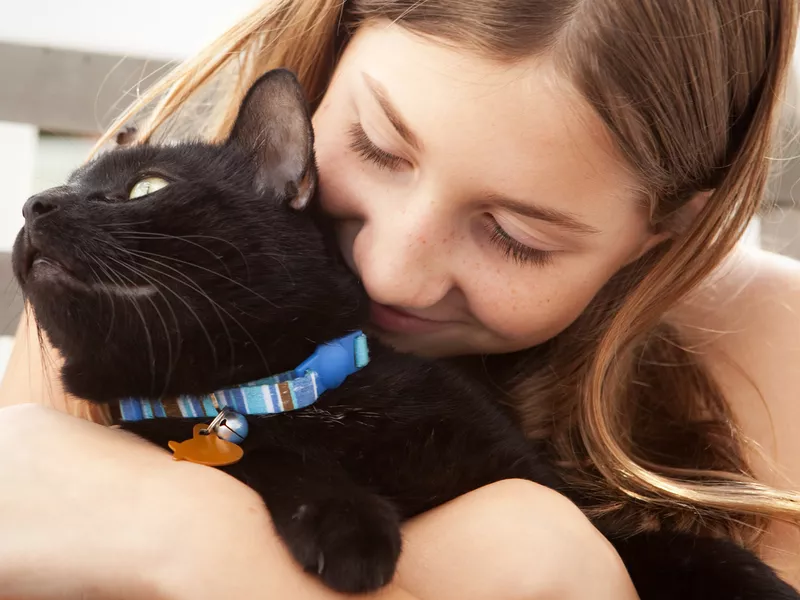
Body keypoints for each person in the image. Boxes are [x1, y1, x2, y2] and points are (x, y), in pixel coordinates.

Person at [1, 0, 799, 597]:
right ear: (327, 56)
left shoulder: (769, 353)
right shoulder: (140, 291)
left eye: (516, 235)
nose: (390, 274)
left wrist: (207, 550)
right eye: (375, 147)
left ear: (663, 234)